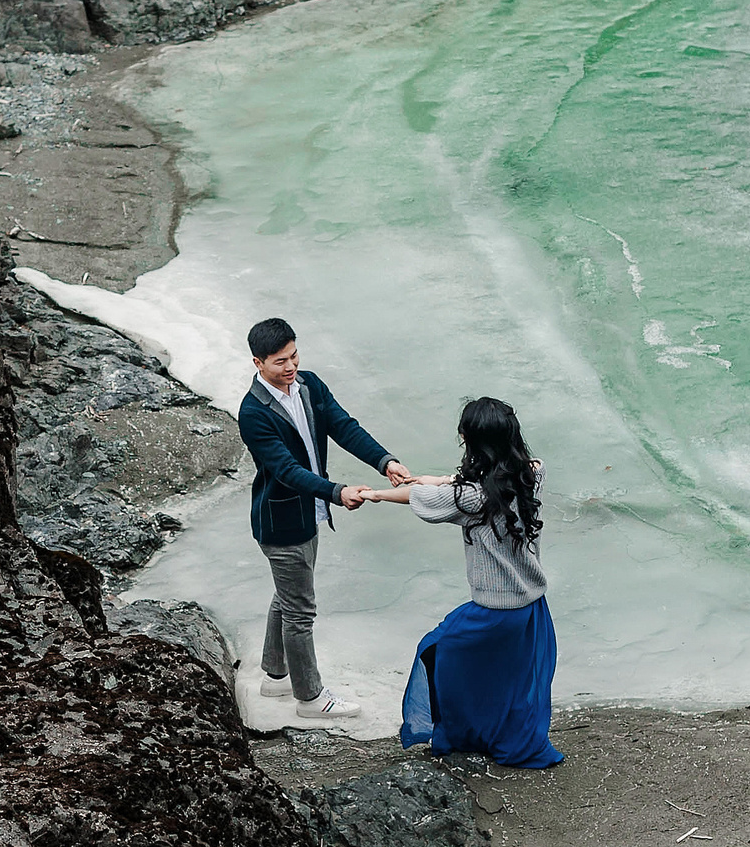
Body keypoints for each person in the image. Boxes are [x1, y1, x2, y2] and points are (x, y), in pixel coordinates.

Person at [357, 396, 563, 769]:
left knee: (438, 650)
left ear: (471, 441)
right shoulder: (533, 474)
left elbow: (421, 497)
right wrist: (439, 478)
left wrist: (375, 494)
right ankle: (498, 734)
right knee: (512, 681)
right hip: (533, 610)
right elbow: (471, 483)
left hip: (494, 612)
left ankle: (460, 731)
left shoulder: (469, 498)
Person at [237, 317, 413, 719]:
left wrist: (385, 461)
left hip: (307, 513)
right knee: (300, 611)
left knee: (288, 595)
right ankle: (311, 699)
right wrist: (337, 492)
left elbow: (344, 428)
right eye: (280, 361)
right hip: (281, 522)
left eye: (294, 355)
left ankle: (275, 676)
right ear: (258, 363)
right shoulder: (253, 413)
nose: (291, 366)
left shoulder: (310, 385)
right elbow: (286, 471)